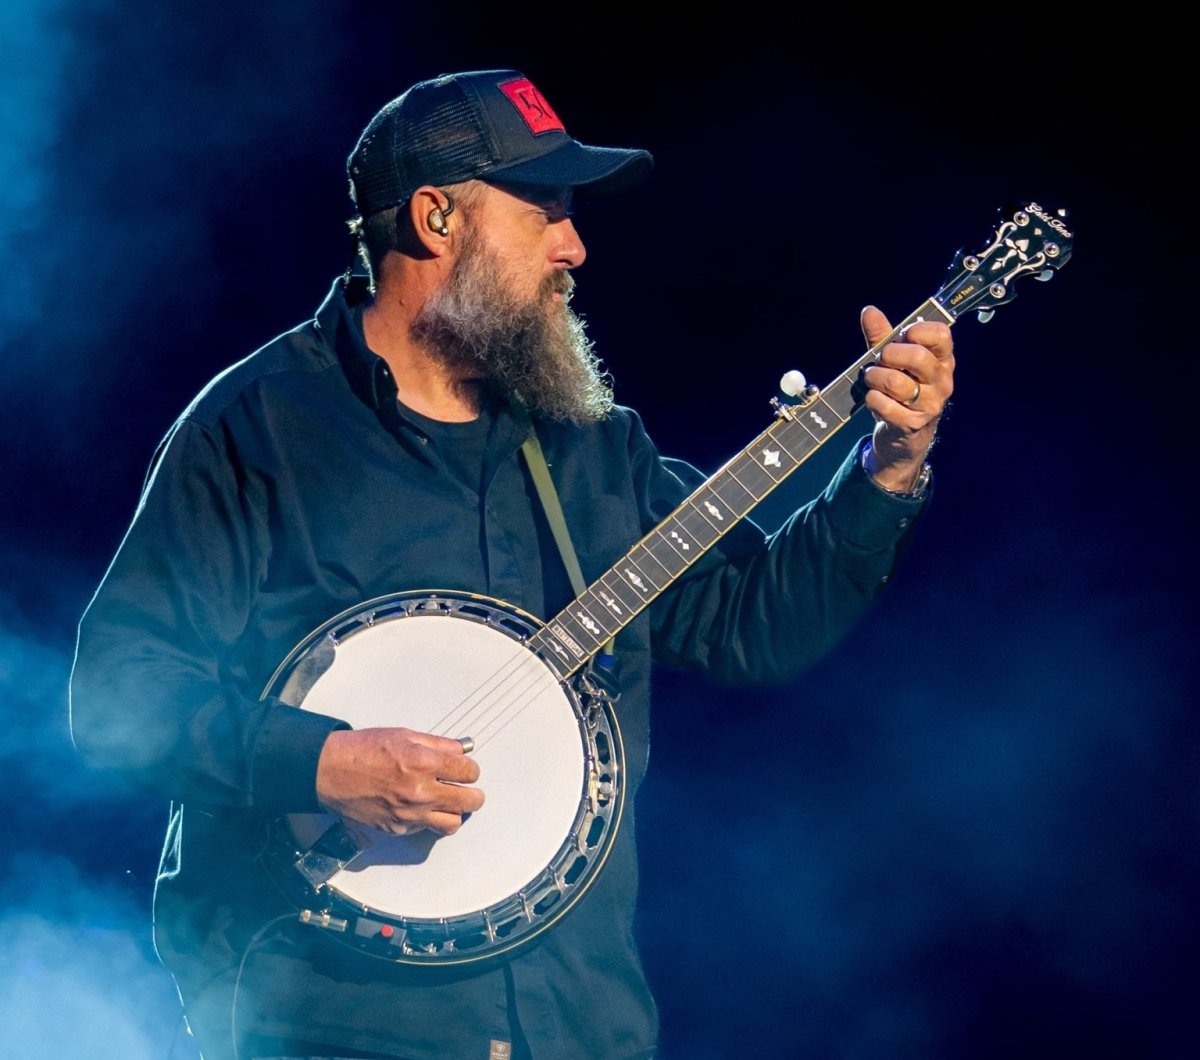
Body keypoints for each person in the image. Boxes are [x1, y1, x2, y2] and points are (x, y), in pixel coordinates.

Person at [69, 68, 954, 1060]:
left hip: (575, 1022)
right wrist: (319, 763)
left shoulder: (593, 446)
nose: (574, 247)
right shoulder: (254, 431)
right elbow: (116, 695)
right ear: (437, 217)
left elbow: (758, 626)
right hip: (336, 1023)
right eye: (544, 211)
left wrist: (888, 469)